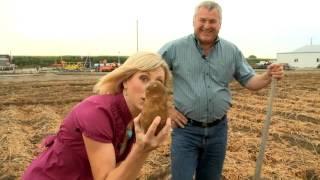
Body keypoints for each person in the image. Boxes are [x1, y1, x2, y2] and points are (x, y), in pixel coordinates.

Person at [158, 1, 284, 180]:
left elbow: (250, 81)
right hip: (186, 131)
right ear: (194, 21)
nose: (207, 26)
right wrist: (166, 110)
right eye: (202, 20)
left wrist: (268, 76)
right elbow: (149, 80)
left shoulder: (231, 51)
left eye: (212, 21)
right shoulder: (173, 49)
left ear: (220, 24)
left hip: (218, 131)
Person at [22, 52, 172, 180]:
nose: (153, 88)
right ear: (125, 81)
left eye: (159, 82)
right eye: (144, 78)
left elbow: (121, 172)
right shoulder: (97, 113)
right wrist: (141, 150)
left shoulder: (136, 120)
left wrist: (142, 148)